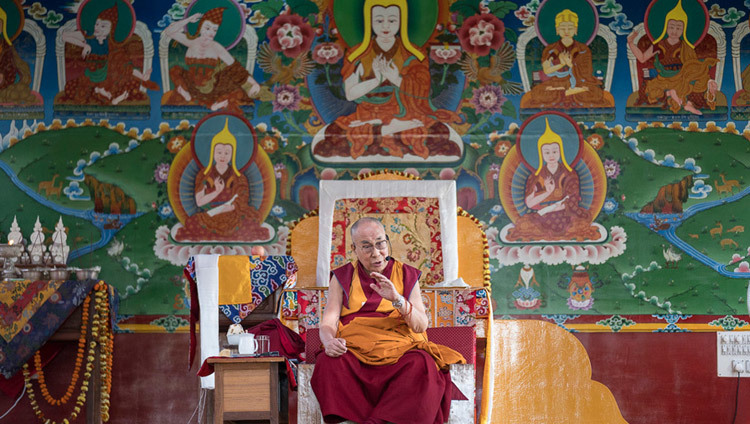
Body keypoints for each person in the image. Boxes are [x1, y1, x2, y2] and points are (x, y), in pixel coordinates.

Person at [311, 217, 466, 424]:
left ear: (387, 242)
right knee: (329, 362)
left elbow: (420, 325)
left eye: (380, 243)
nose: (376, 253)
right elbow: (329, 322)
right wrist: (329, 341)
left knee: (422, 364)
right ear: (354, 248)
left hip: (399, 349)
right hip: (357, 348)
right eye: (366, 246)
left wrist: (397, 299)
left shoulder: (406, 274)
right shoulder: (342, 277)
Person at [313, 0, 461, 160]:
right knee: (334, 136)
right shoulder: (358, 55)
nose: (385, 26)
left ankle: (388, 129)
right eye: (379, 20)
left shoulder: (414, 55)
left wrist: (396, 79)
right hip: (367, 115)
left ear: (401, 21)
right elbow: (350, 94)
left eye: (392, 20)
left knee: (438, 135)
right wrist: (377, 80)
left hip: (405, 114)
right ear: (369, 21)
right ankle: (388, 129)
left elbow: (423, 92)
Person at [507, 118, 601, 242]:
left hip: (565, 216)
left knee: (579, 226)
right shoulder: (537, 176)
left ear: (560, 151)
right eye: (547, 152)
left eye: (554, 151)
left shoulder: (570, 175)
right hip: (541, 216)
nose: (551, 155)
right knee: (525, 226)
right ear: (541, 154)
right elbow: (529, 203)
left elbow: (571, 202)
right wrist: (547, 192)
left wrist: (555, 207)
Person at [175, 118, 269, 241]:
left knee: (250, 223)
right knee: (193, 222)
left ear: (232, 155)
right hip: (210, 215)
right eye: (219, 152)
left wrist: (231, 207)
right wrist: (216, 192)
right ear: (213, 153)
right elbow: (199, 202)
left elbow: (242, 200)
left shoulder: (239, 177)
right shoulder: (204, 175)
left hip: (232, 215)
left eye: (227, 153)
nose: (222, 156)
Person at [162, 7, 261, 113]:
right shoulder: (191, 42)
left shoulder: (217, 47)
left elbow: (236, 69)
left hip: (211, 87)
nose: (211, 33)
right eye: (207, 28)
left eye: (214, 30)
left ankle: (214, 104)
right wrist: (188, 19)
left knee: (237, 92)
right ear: (200, 27)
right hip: (190, 85)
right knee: (175, 70)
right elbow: (168, 31)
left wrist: (254, 83)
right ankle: (186, 94)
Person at [627, 0, 718, 115]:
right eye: (671, 27)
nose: (674, 31)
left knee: (702, 79)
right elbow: (642, 58)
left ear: (683, 30)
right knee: (651, 91)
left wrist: (709, 80)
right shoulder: (659, 44)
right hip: (664, 78)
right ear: (666, 27)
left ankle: (689, 104)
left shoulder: (686, 46)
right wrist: (631, 43)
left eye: (678, 28)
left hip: (682, 75)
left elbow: (694, 65)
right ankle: (671, 93)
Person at [58, 5, 158, 105]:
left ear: (112, 29)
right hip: (91, 76)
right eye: (96, 24)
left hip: (108, 76)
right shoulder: (89, 37)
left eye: (103, 26)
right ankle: (98, 91)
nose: (98, 28)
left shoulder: (111, 45)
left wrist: (142, 77)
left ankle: (110, 96)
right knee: (72, 88)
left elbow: (125, 66)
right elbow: (64, 36)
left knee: (125, 76)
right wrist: (84, 45)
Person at [520, 9, 614, 109]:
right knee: (538, 93)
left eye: (570, 28)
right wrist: (560, 64)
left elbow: (587, 73)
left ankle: (567, 92)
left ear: (575, 29)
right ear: (557, 30)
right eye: (562, 28)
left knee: (595, 93)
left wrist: (571, 65)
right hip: (556, 83)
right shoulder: (550, 50)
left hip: (578, 83)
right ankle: (569, 92)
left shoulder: (583, 49)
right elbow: (546, 71)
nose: (566, 31)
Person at [0, 6, 39, 105]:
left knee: (17, 92)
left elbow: (20, 65)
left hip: (5, 83)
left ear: (3, 26)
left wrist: (4, 76)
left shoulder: (7, 47)